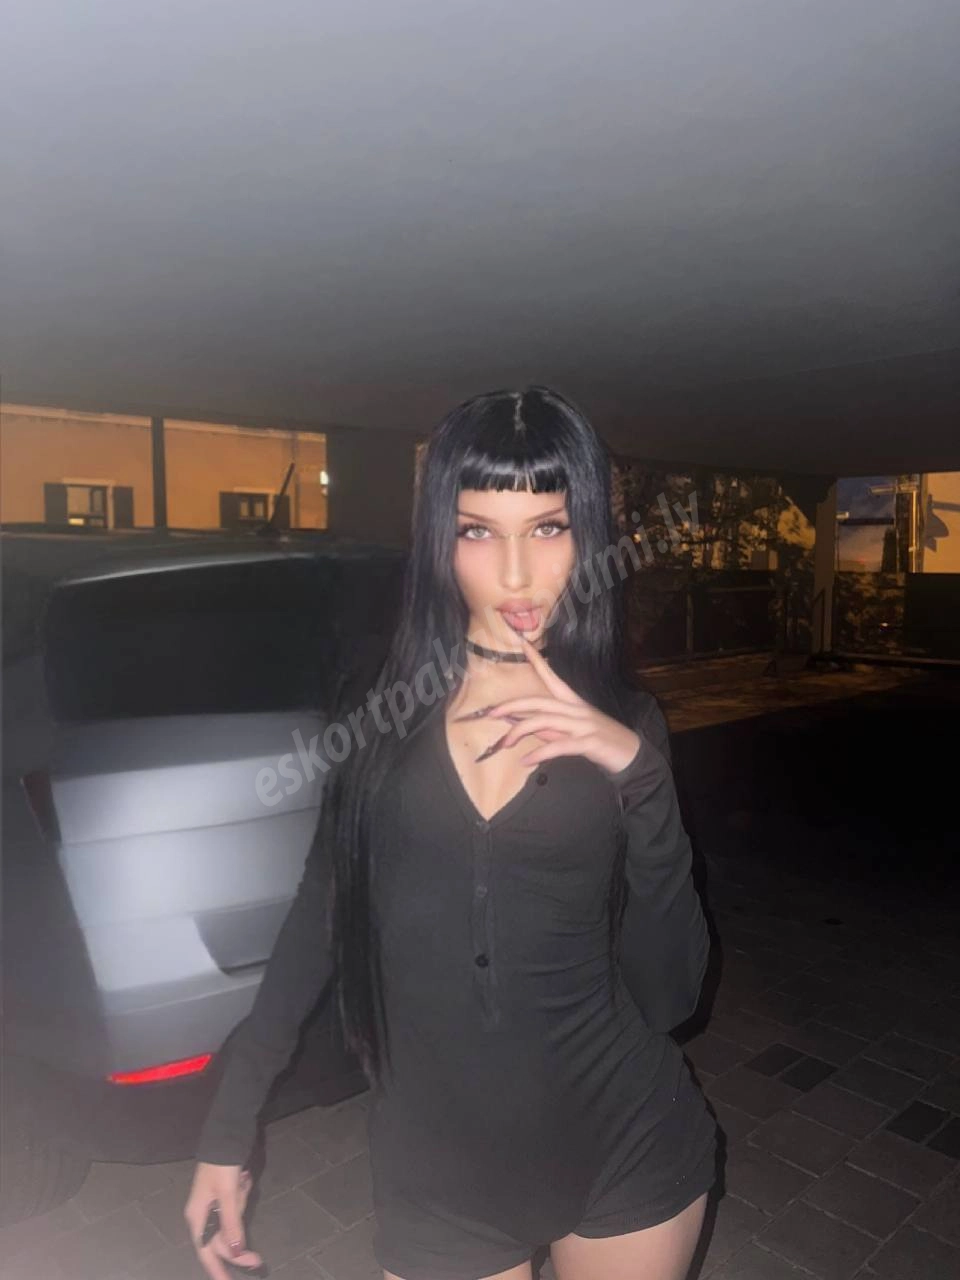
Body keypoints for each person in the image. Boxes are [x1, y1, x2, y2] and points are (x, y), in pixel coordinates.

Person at [184, 386, 716, 1280]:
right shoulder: (376, 719)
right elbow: (318, 919)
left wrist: (641, 778)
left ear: (587, 534)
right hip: (435, 1177)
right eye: (478, 531)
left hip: (626, 1146)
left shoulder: (629, 726)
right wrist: (227, 1128)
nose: (516, 574)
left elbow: (670, 1000)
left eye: (547, 528)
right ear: (440, 539)